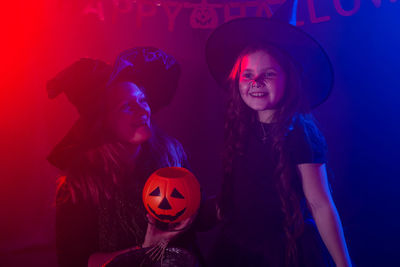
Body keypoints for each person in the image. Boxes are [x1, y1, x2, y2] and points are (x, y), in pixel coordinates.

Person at [205, 17, 352, 266]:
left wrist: (343, 263)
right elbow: (238, 196)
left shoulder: (299, 133)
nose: (256, 83)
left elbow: (320, 203)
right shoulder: (241, 127)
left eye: (268, 74)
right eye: (247, 75)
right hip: (238, 249)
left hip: (283, 251)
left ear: (289, 79)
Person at [47, 47, 201, 267]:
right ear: (104, 122)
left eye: (142, 100)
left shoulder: (171, 155)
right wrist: (147, 249)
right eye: (127, 107)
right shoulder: (80, 184)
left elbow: (189, 219)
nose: (143, 111)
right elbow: (75, 261)